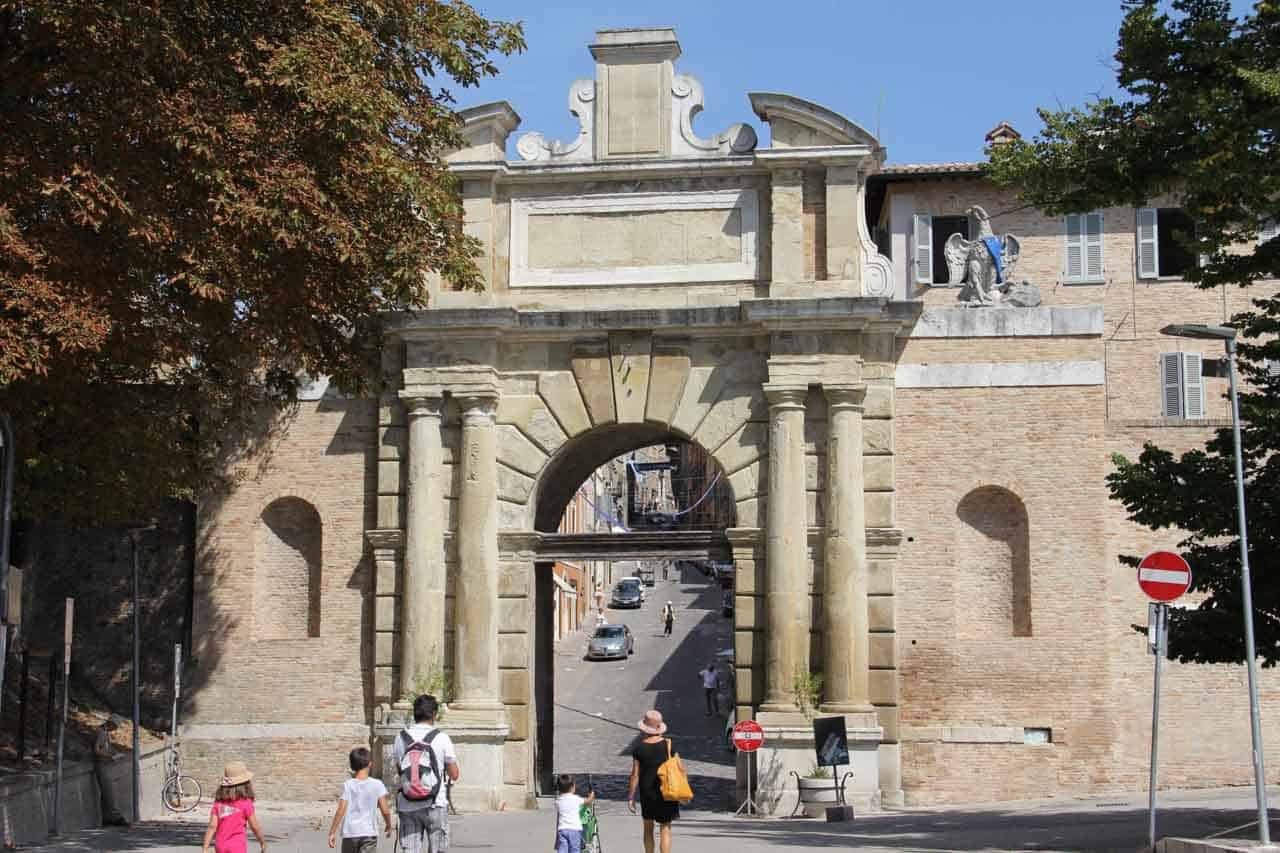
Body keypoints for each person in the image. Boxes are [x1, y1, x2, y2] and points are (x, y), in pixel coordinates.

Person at [394, 694, 460, 853]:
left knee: (410, 850)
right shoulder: (442, 738)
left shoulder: (401, 737)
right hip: (435, 803)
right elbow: (454, 774)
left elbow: (400, 769)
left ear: (414, 714)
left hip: (408, 803)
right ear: (434, 714)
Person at [627, 710, 677, 853]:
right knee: (665, 828)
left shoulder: (639, 748)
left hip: (647, 792)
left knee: (648, 828)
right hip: (666, 790)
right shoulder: (668, 746)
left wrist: (631, 797)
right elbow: (678, 768)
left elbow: (635, 774)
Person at [328, 746, 391, 852]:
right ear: (370, 763)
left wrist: (332, 832)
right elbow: (385, 810)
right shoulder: (377, 784)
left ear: (352, 766)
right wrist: (389, 825)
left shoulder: (348, 785)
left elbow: (341, 810)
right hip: (369, 834)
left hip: (350, 833)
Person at [201, 761, 266, 853]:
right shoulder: (246, 803)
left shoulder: (218, 803)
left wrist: (205, 847)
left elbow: (212, 826)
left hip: (220, 845)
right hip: (237, 846)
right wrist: (262, 842)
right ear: (246, 784)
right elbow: (255, 826)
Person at [93, 714, 129, 826]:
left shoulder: (104, 732)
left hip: (104, 764)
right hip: (102, 765)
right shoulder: (101, 732)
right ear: (112, 724)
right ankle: (116, 817)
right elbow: (97, 750)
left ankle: (106, 818)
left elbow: (106, 748)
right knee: (110, 793)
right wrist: (110, 756)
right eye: (116, 726)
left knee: (105, 794)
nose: (117, 729)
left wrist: (114, 753)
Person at [551, 773, 595, 853]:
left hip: (562, 830)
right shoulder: (576, 799)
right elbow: (588, 802)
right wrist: (592, 795)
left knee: (562, 849)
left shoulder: (558, 801)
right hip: (575, 830)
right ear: (572, 787)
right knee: (574, 850)